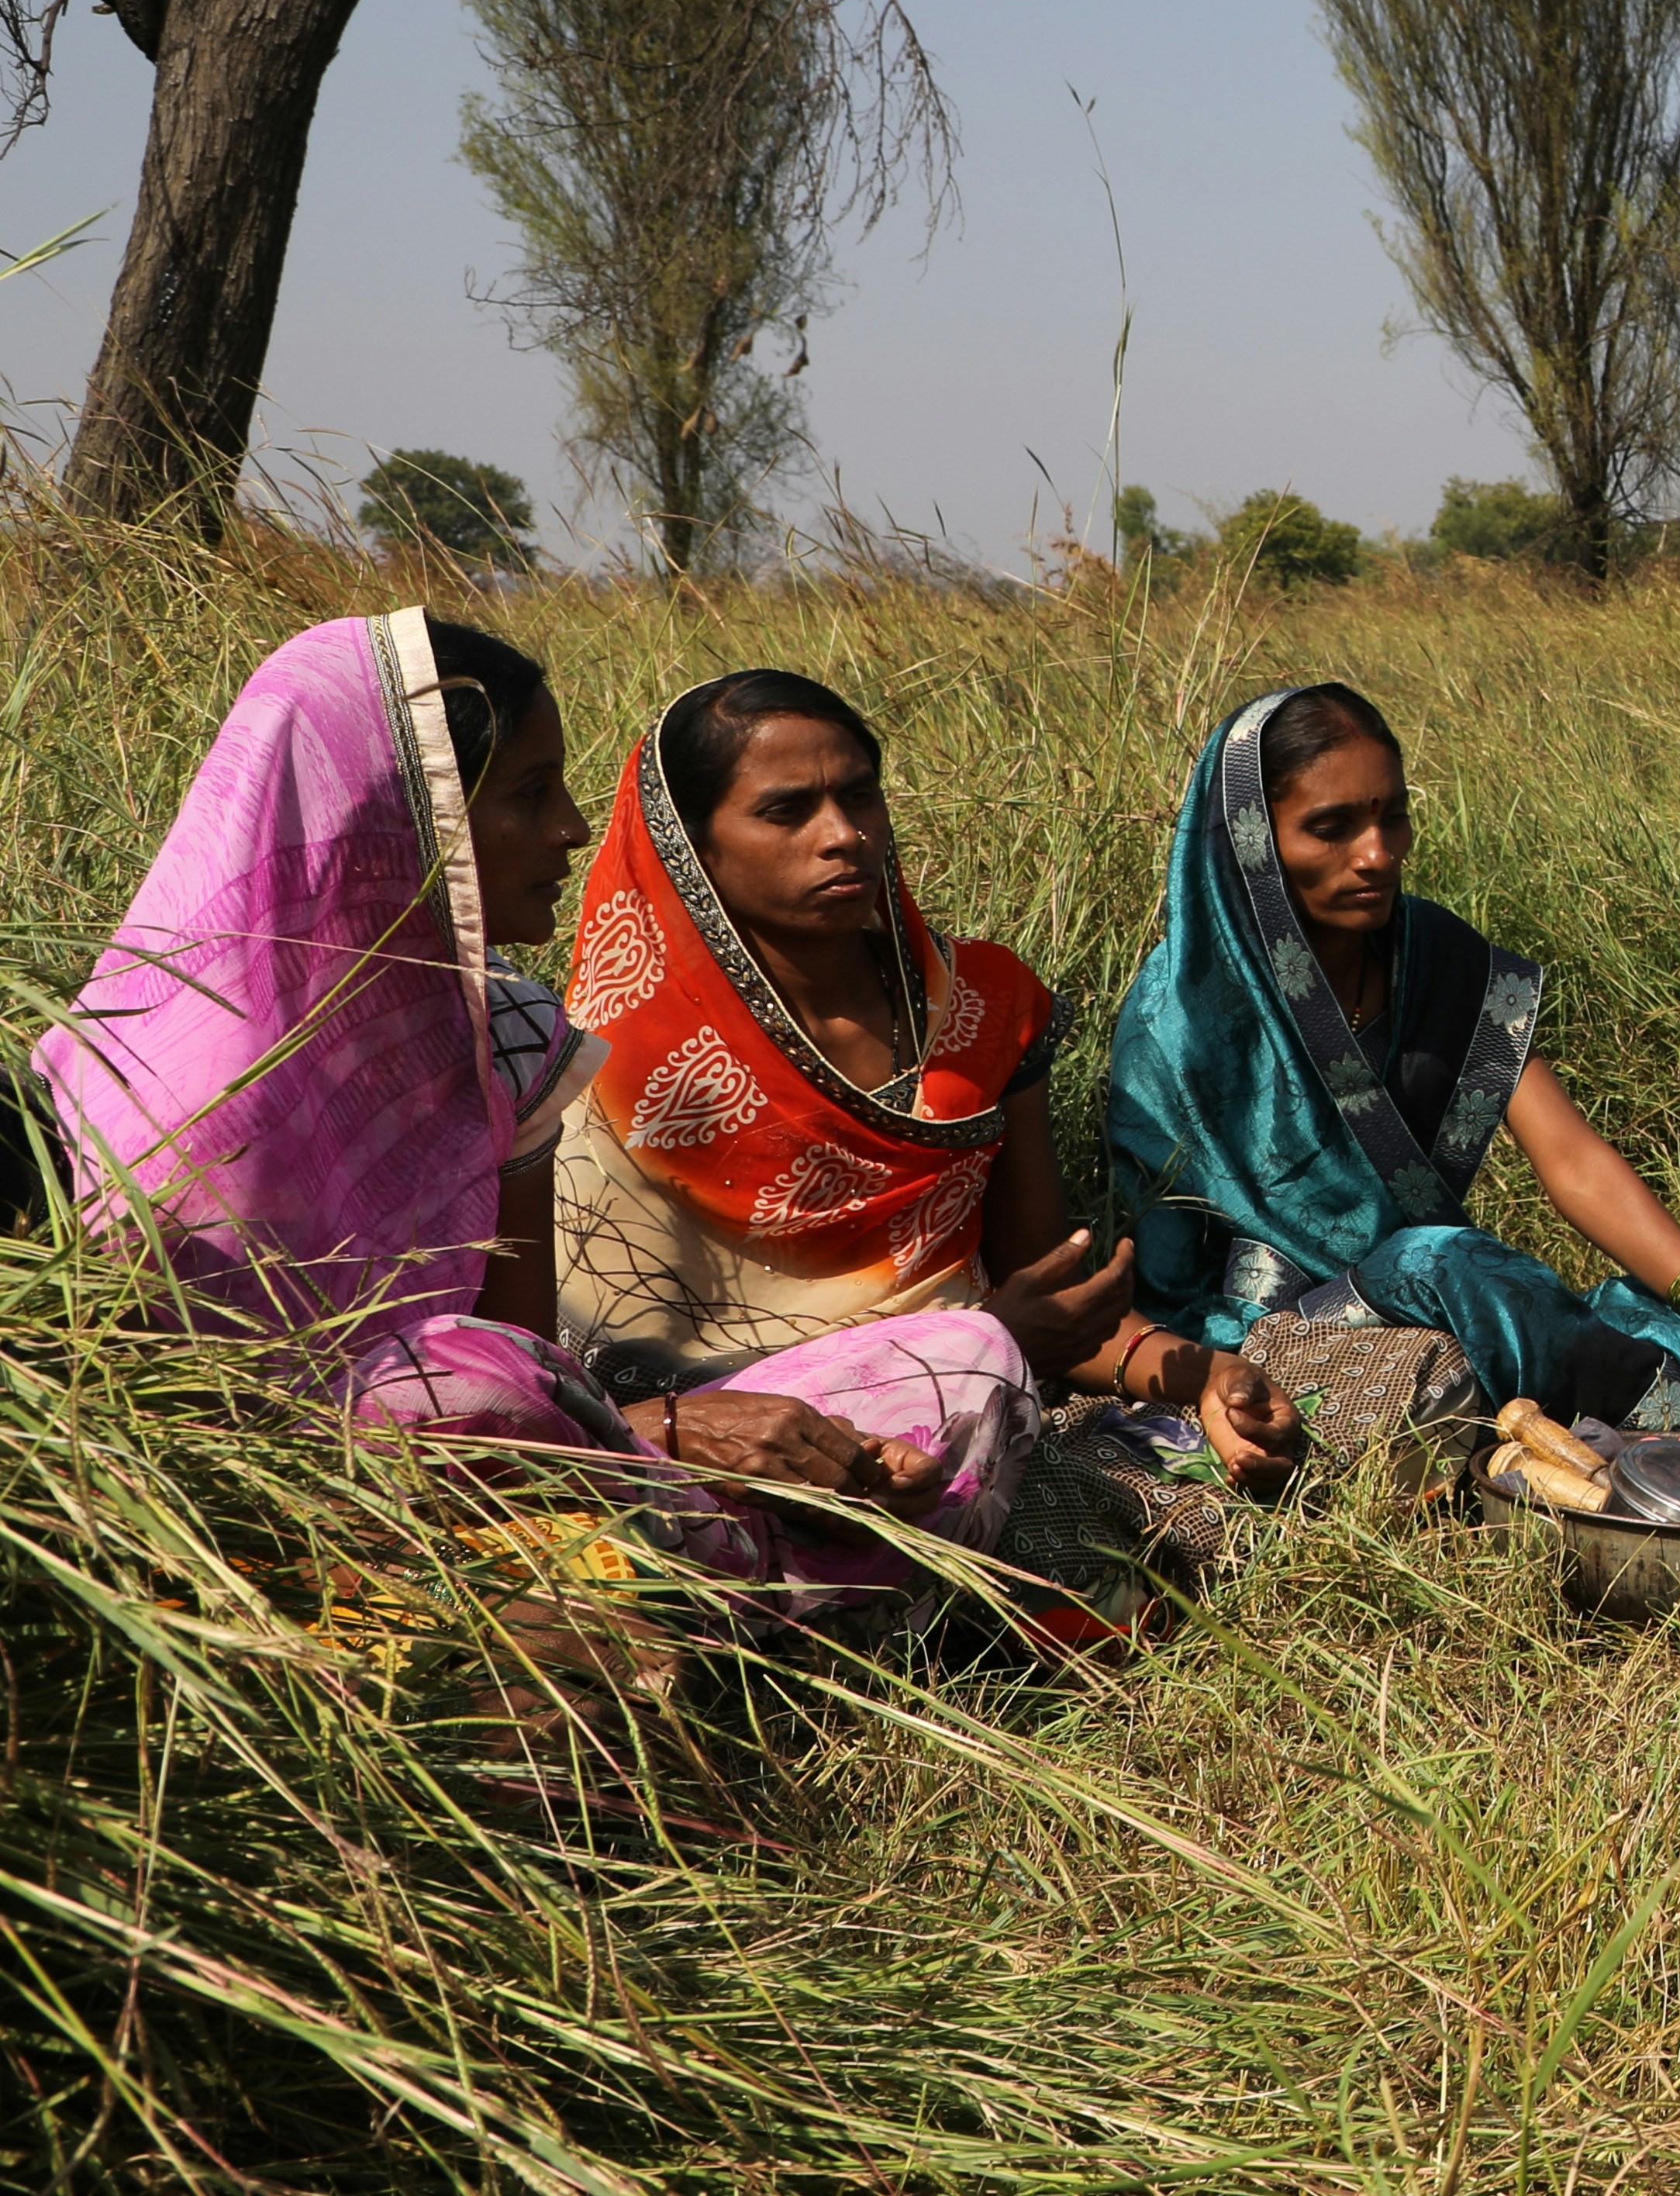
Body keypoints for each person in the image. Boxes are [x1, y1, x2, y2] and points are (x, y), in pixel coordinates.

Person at [31, 612, 1030, 1621]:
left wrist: (681, 1436)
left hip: (559, 1471)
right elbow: (186, 1444)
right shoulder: (167, 1087)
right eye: (525, 794)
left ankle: (731, 1584)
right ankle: (765, 1591)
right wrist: (675, 1434)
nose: (571, 827)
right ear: (399, 820)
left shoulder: (505, 1033)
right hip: (311, 1525)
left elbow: (540, 1372)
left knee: (966, 1362)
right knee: (469, 1387)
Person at [1107, 683, 1680, 1576]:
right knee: (1441, 1269)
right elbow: (1167, 1281)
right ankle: (1651, 1415)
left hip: (1428, 1302)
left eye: (1393, 818)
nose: (1376, 856)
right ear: (1251, 843)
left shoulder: (1436, 962)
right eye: (1331, 828)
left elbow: (1574, 1162)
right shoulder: (1176, 1023)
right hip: (1261, 1337)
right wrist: (1222, 1381)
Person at [552, 669, 1295, 1469]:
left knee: (1393, 1380)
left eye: (860, 797)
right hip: (728, 1452)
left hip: (976, 1398)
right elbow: (587, 1383)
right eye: (786, 810)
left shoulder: (979, 1003)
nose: (843, 834)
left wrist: (1208, 1374)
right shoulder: (615, 1061)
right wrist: (983, 1342)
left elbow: (1041, 1300)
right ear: (690, 845)